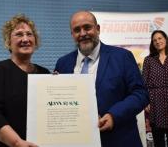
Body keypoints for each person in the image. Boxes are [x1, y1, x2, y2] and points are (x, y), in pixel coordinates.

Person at [54, 10, 149, 147]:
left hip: (119, 139)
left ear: (97, 29)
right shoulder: (63, 63)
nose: (82, 34)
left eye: (87, 27)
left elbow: (141, 94)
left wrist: (113, 116)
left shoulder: (122, 57)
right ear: (72, 35)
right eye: (77, 30)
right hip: (77, 141)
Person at [0, 14, 50, 147]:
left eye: (29, 34)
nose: (25, 39)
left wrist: (59, 84)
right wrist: (17, 143)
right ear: (8, 42)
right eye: (19, 34)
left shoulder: (45, 73)